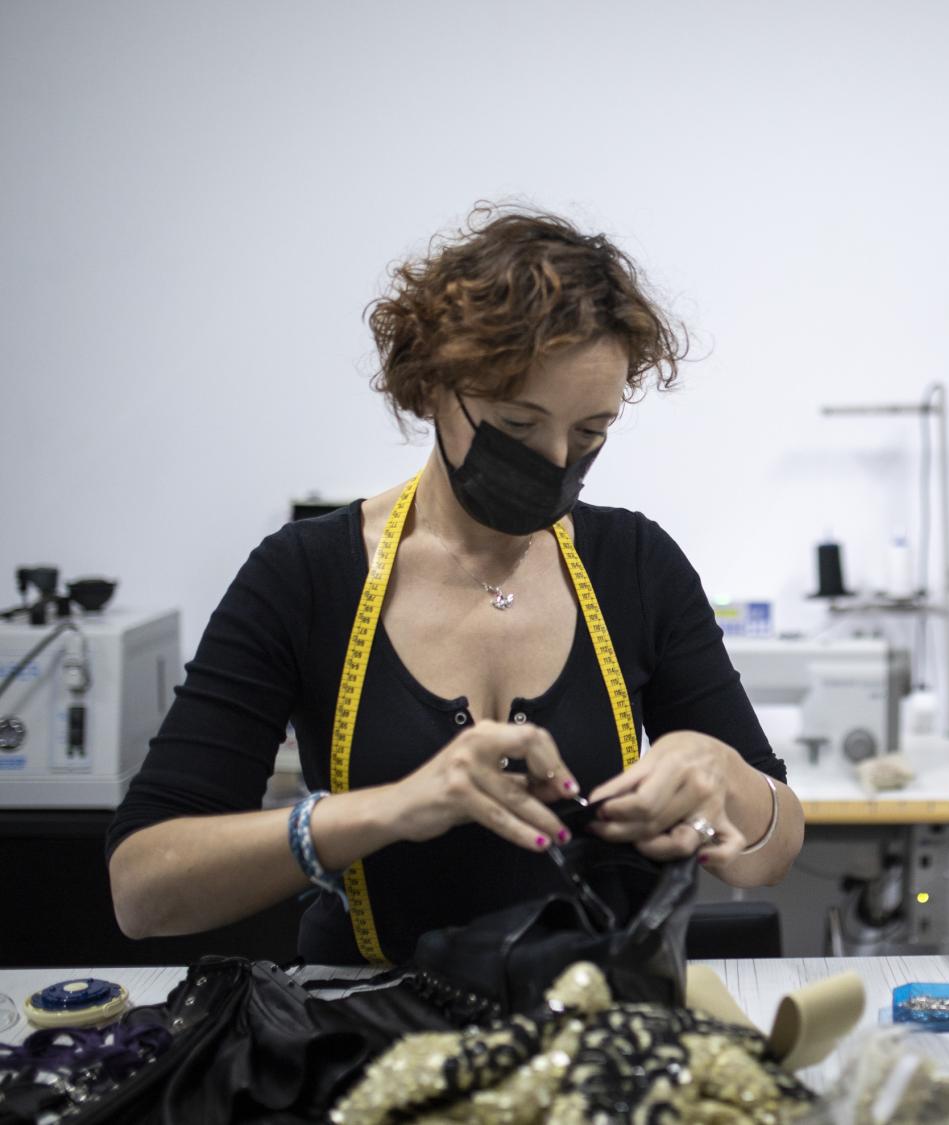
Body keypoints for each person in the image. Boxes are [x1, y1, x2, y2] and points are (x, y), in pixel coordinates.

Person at [107, 207, 804, 964]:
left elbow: (770, 853)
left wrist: (724, 776)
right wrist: (393, 809)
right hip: (365, 1015)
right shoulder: (305, 576)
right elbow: (143, 889)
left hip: (590, 1019)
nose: (556, 459)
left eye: (590, 432)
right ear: (434, 386)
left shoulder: (635, 565)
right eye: (518, 424)